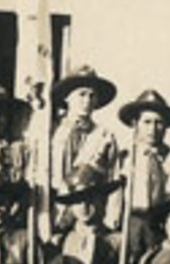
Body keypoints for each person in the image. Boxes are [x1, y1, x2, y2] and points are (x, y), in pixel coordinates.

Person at [113, 88, 170, 263]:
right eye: (147, 122)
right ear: (135, 124)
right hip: (132, 221)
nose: (153, 129)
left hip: (159, 225)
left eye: (158, 123)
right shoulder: (125, 157)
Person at [46, 165, 125, 264]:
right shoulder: (60, 242)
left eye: (90, 199)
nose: (84, 206)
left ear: (101, 199)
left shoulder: (117, 241)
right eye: (77, 201)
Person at [49, 65, 119, 195]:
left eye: (92, 96)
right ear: (67, 97)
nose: (87, 101)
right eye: (82, 94)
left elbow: (113, 179)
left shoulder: (104, 136)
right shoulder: (53, 131)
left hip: (90, 209)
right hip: (54, 207)